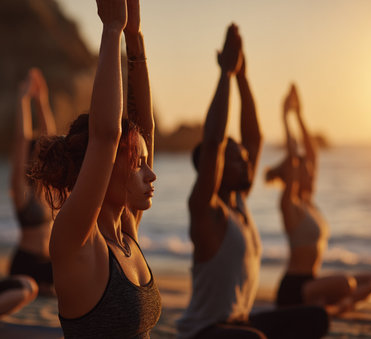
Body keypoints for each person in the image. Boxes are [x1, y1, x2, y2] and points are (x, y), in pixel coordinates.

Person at [177, 24, 329, 339]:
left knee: (316, 318)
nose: (246, 159)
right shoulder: (207, 210)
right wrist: (225, 76)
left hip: (240, 322)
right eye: (235, 157)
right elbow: (215, 141)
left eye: (243, 156)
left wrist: (244, 76)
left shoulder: (240, 203)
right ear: (216, 168)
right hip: (203, 332)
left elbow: (254, 138)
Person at [30, 0, 161, 337]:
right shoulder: (77, 239)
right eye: (138, 163)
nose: (151, 174)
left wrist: (136, 36)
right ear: (102, 167)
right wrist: (112, 28)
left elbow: (144, 127)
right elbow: (106, 136)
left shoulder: (126, 228)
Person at [266, 84, 371, 314]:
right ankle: (327, 308)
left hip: (313, 282)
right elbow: (295, 156)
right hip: (295, 288)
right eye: (305, 169)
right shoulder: (289, 205)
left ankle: (329, 308)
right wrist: (284, 118)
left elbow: (312, 152)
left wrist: (299, 114)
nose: (311, 170)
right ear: (294, 174)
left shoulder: (309, 203)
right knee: (345, 284)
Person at [9, 68, 56, 296]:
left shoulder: (45, 189)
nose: (41, 155)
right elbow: (21, 140)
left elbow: (49, 139)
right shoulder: (21, 192)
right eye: (36, 152)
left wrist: (42, 100)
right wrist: (23, 99)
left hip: (48, 263)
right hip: (25, 265)